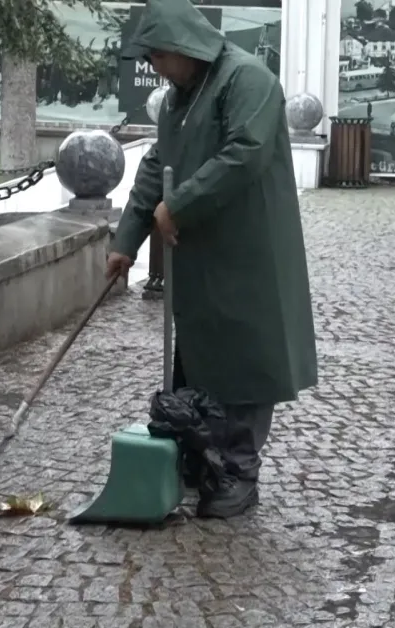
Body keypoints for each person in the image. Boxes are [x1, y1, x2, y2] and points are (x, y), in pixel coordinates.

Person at [106, 0, 318, 519]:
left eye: (157, 55)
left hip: (249, 249)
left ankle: (239, 470)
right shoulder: (180, 96)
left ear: (184, 48)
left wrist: (178, 206)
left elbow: (244, 150)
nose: (153, 66)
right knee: (200, 356)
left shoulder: (247, 80)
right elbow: (159, 163)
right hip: (203, 254)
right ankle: (200, 456)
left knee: (245, 360)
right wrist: (125, 241)